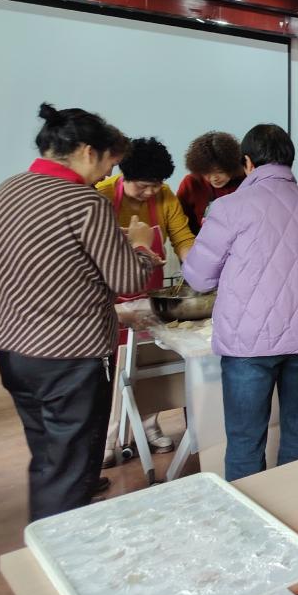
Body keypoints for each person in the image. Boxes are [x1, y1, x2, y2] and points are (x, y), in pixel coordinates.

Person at [0, 104, 158, 521]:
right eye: (107, 164)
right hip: (68, 357)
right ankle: (59, 547)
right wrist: (140, 244)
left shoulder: (8, 189)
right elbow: (127, 280)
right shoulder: (84, 202)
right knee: (69, 468)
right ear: (87, 151)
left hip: (14, 349)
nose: (105, 174)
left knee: (49, 454)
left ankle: (62, 508)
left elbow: (50, 265)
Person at [183, 124, 298, 481]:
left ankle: (250, 507)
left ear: (248, 162)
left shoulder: (229, 208)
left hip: (249, 342)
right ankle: (296, 502)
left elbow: (199, 278)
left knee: (245, 440)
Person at [97, 137, 196, 462]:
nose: (151, 192)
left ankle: (149, 427)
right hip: (110, 298)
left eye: (156, 185)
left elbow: (182, 238)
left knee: (150, 363)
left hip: (148, 294)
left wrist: (197, 267)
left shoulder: (165, 197)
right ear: (124, 175)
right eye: (143, 186)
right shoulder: (103, 195)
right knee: (114, 372)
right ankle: (107, 439)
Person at [177, 131, 245, 235]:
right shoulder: (190, 183)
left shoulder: (247, 181)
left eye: (220, 172)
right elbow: (180, 225)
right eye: (207, 173)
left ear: (232, 167)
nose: (214, 178)